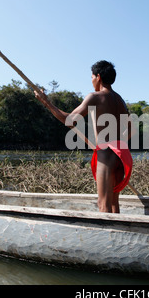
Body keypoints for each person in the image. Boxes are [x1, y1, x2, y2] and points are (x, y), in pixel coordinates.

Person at [34, 60, 132, 213]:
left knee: (103, 205)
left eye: (92, 77)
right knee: (113, 204)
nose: (91, 80)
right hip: (121, 155)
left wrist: (47, 103)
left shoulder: (95, 97)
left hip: (105, 156)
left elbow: (69, 120)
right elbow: (130, 129)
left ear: (98, 77)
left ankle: (107, 235)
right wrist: (117, 145)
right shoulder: (120, 100)